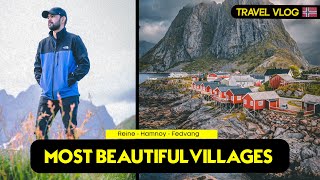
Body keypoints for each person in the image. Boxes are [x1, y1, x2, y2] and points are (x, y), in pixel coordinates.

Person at [34, 7, 90, 139]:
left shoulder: (74, 40)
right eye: (48, 17)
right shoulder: (43, 44)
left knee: (70, 133)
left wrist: (69, 80)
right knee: (39, 132)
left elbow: (85, 64)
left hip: (68, 94)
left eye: (52, 16)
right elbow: (37, 67)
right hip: (47, 95)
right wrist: (43, 82)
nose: (49, 19)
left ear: (63, 19)